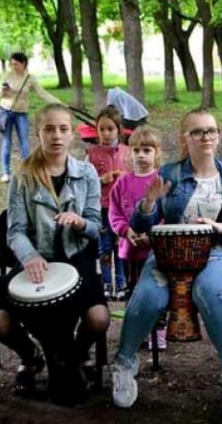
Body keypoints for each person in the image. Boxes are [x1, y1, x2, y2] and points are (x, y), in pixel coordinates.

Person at [112, 108, 222, 420]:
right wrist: (149, 203)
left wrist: (220, 228)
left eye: (211, 130)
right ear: (186, 139)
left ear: (218, 135)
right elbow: (143, 224)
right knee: (147, 296)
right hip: (171, 254)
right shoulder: (169, 173)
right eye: (198, 131)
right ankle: (124, 364)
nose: (206, 136)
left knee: (208, 288)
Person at [0, 104, 109, 406]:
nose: (56, 136)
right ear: (38, 133)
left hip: (76, 261)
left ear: (72, 134)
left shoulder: (87, 173)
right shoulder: (24, 176)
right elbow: (15, 231)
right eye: (49, 129)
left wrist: (80, 223)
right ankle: (32, 357)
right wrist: (29, 257)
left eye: (63, 129)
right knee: (0, 322)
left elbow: (97, 227)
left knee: (98, 318)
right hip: (34, 262)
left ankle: (76, 357)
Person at [108, 125, 168, 349]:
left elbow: (167, 214)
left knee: (158, 288)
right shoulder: (122, 183)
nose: (141, 155)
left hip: (156, 251)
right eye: (136, 150)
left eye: (147, 150)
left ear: (157, 153)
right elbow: (114, 213)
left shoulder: (161, 181)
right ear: (129, 153)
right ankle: (138, 329)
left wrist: (153, 235)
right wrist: (125, 231)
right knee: (133, 290)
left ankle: (159, 330)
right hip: (129, 250)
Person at [0, 52, 63, 184]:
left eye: (16, 64)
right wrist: (3, 91)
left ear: (24, 64)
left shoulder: (30, 78)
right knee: (6, 142)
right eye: (12, 64)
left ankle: (28, 170)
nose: (13, 66)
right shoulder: (7, 76)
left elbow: (42, 93)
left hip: (21, 113)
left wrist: (57, 102)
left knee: (24, 143)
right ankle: (5, 172)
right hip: (6, 111)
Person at [86, 105, 131, 301]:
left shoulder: (128, 153)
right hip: (102, 208)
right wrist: (100, 180)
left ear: (118, 130)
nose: (105, 133)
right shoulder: (91, 154)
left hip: (122, 210)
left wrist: (125, 178)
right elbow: (84, 181)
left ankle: (121, 283)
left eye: (110, 129)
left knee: (121, 244)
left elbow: (137, 178)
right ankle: (106, 283)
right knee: (104, 247)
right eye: (101, 129)